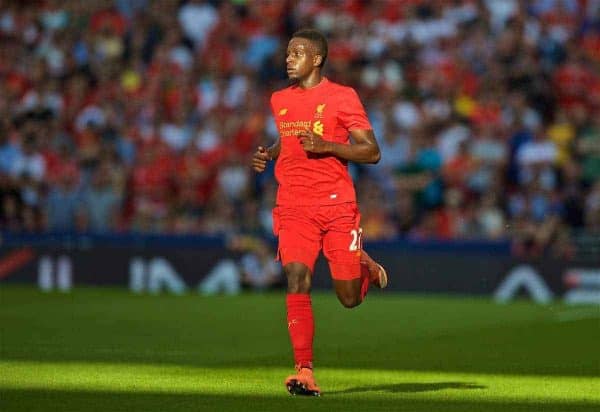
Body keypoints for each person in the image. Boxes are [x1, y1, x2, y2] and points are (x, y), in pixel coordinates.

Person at [251, 28, 388, 396]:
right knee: (297, 278)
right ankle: (304, 370)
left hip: (336, 205)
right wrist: (271, 153)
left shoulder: (343, 97)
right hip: (293, 205)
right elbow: (290, 137)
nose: (287, 59)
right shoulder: (280, 99)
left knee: (349, 299)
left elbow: (371, 152)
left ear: (316, 59)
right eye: (287, 53)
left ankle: (365, 267)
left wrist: (327, 145)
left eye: (296, 53)